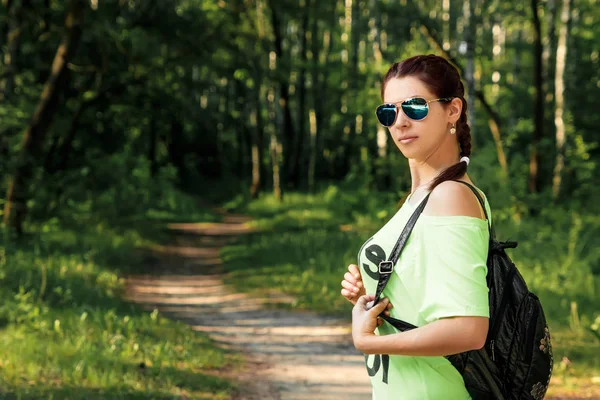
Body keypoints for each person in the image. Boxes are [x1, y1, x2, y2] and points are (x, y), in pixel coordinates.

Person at [340, 54, 492, 400]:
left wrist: (367, 341)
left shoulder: (449, 196)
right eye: (389, 112)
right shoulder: (424, 197)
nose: (400, 122)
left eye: (416, 107)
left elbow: (469, 329)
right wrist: (376, 287)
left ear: (453, 110)